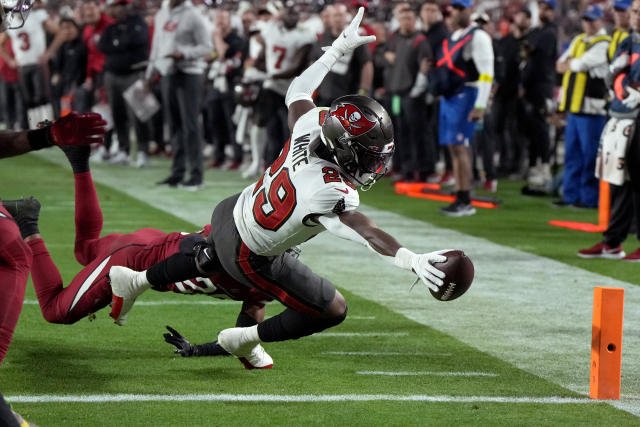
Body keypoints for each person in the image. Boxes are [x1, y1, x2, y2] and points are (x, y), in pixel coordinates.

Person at [107, 8, 452, 369]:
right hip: (249, 250)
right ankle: (244, 339)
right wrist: (410, 259)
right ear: (343, 148)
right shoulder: (329, 189)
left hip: (231, 211)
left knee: (222, 258)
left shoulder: (313, 122)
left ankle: (136, 280)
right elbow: (365, 232)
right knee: (330, 308)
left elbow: (299, 89)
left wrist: (334, 52)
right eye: (367, 157)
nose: (374, 166)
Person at [6, 145, 275, 368]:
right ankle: (27, 223)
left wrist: (197, 350)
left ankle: (79, 160)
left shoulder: (260, 287)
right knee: (56, 311)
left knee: (86, 250)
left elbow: (241, 343)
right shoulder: (239, 254)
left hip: (150, 241)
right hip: (134, 260)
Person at [578, 0, 640, 261]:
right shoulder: (630, 41)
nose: (634, 16)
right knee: (618, 180)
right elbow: (613, 75)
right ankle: (612, 242)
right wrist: (628, 91)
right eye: (634, 11)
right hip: (622, 114)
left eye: (637, 12)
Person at [431, 0, 494, 216]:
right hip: (451, 96)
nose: (455, 12)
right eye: (453, 8)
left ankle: (465, 199)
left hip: (467, 94)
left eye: (460, 8)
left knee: (461, 147)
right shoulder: (455, 36)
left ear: (469, 10)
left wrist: (480, 104)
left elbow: (487, 72)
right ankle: (459, 194)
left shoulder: (478, 36)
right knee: (452, 148)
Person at [555, 6, 610, 208]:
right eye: (586, 20)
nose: (588, 23)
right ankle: (570, 196)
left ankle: (589, 199)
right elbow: (560, 64)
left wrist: (571, 62)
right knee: (572, 155)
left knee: (590, 156)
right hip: (575, 107)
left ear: (601, 21)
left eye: (592, 20)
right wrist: (572, 63)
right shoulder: (579, 40)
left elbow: (579, 65)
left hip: (592, 109)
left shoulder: (604, 44)